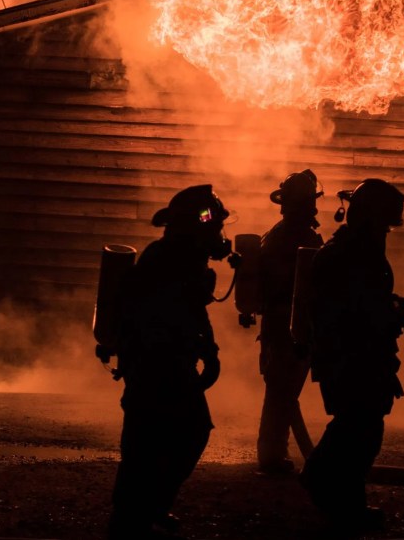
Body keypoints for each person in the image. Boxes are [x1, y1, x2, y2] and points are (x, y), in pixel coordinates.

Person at [108, 184, 232, 540]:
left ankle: (145, 509)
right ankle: (132, 517)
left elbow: (195, 313)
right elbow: (165, 316)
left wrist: (209, 351)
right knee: (152, 440)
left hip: (170, 364)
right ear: (194, 227)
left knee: (183, 434)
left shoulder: (185, 260)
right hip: (155, 365)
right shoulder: (164, 261)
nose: (218, 236)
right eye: (212, 227)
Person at [299, 178, 404, 534]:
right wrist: (386, 313)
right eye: (384, 222)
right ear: (371, 217)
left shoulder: (357, 249)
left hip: (360, 355)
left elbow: (367, 298)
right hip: (350, 357)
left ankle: (342, 500)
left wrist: (392, 304)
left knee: (360, 427)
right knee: (358, 428)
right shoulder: (347, 254)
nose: (387, 230)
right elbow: (351, 309)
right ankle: (326, 486)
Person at [254, 170, 324, 475]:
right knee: (282, 392)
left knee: (283, 392)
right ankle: (271, 456)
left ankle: (274, 453)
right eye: (309, 202)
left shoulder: (281, 233)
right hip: (288, 326)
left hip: (284, 325)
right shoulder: (293, 237)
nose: (314, 209)